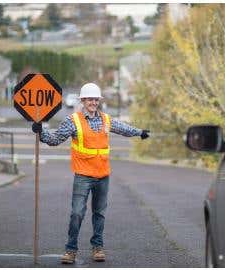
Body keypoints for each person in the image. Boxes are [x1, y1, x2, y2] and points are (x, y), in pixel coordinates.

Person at [31, 83, 150, 264]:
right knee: (77, 213)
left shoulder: (106, 120)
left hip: (103, 175)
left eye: (96, 99)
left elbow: (123, 128)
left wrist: (139, 132)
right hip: (83, 175)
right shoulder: (73, 121)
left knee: (99, 213)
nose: (93, 102)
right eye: (90, 99)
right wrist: (41, 133)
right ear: (83, 101)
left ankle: (97, 248)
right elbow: (55, 140)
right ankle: (70, 250)